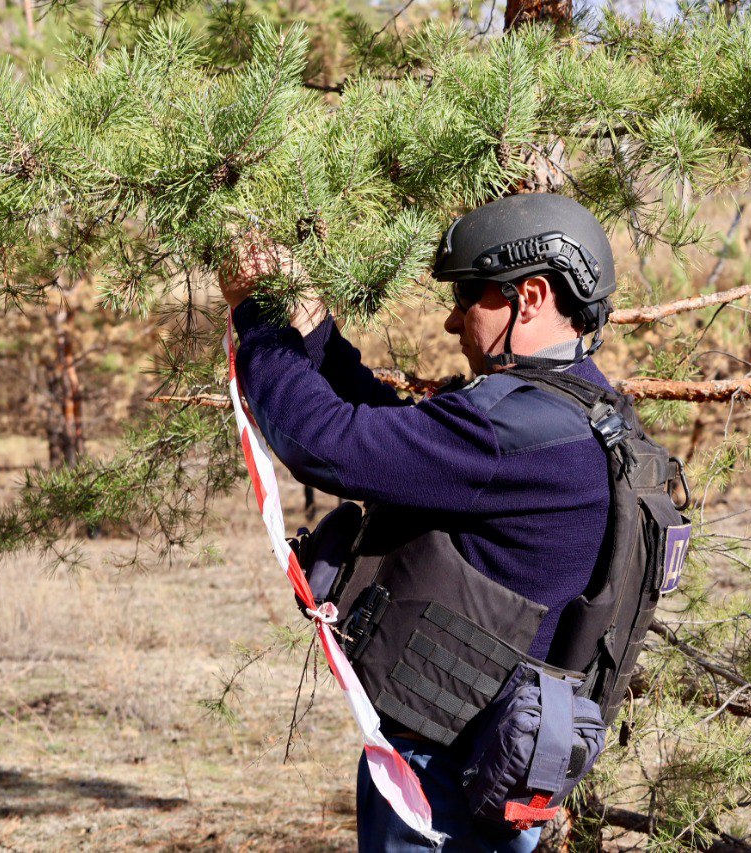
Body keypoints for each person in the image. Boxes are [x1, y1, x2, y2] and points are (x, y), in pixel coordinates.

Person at [218, 194, 618, 852]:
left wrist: (256, 313)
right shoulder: (582, 415)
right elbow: (400, 436)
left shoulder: (511, 428)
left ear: (533, 294)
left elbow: (322, 442)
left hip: (439, 783)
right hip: (497, 768)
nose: (453, 320)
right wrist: (315, 331)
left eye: (471, 297)